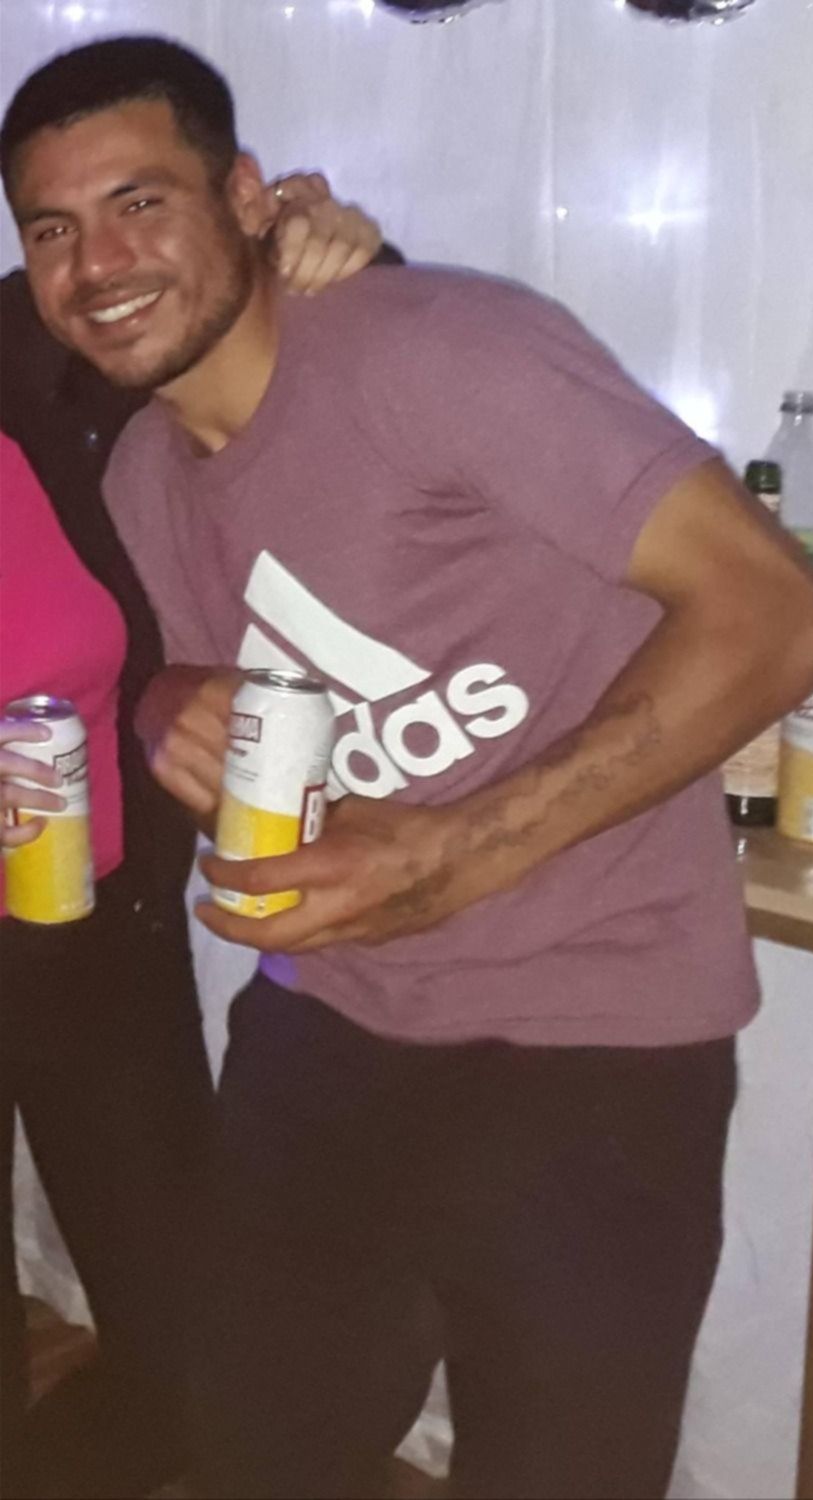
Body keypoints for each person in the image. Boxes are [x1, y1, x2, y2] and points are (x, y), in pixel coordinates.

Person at [1, 35, 813, 1500]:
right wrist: (171, 705)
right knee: (256, 1446)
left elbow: (778, 616)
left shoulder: (442, 351)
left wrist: (453, 854)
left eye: (141, 203)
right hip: (324, 1029)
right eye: (54, 229)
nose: (99, 263)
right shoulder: (143, 471)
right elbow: (214, 682)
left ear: (249, 197)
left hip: (591, 1034)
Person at [0, 162, 386, 1499]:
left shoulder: (29, 354)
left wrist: (327, 254)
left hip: (96, 916)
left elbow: (202, 325)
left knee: (177, 1324)